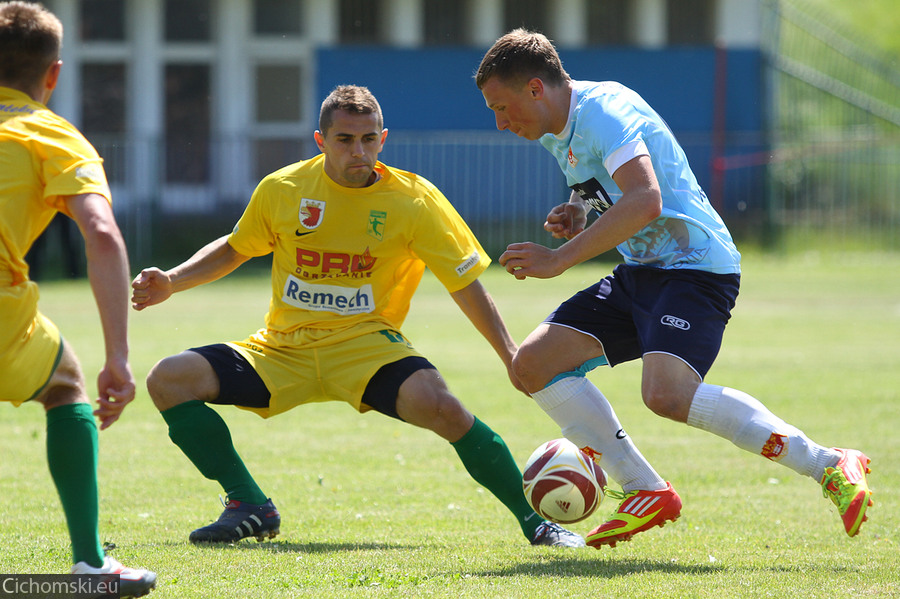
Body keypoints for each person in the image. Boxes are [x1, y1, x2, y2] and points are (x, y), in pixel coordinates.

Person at [130, 84, 584, 549]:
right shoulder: (284, 189)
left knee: (444, 407)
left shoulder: (414, 200)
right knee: (169, 379)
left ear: (382, 139)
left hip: (366, 347)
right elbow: (234, 248)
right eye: (345, 139)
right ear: (321, 140)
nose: (358, 151)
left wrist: (509, 354)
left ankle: (538, 524)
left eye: (368, 139)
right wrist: (172, 279)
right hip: (283, 348)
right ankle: (249, 504)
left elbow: (463, 282)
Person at [475, 29, 873, 549]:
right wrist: (578, 209)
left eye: (502, 108)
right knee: (530, 365)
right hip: (642, 271)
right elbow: (602, 182)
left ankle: (828, 463)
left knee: (666, 395)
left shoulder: (604, 110)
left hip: (695, 268)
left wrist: (559, 259)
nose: (501, 124)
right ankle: (645, 490)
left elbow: (645, 200)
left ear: (535, 89)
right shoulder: (556, 127)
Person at [0, 2, 157, 595]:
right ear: (53, 74)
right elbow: (102, 234)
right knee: (66, 383)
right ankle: (90, 564)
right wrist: (118, 355)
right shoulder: (53, 135)